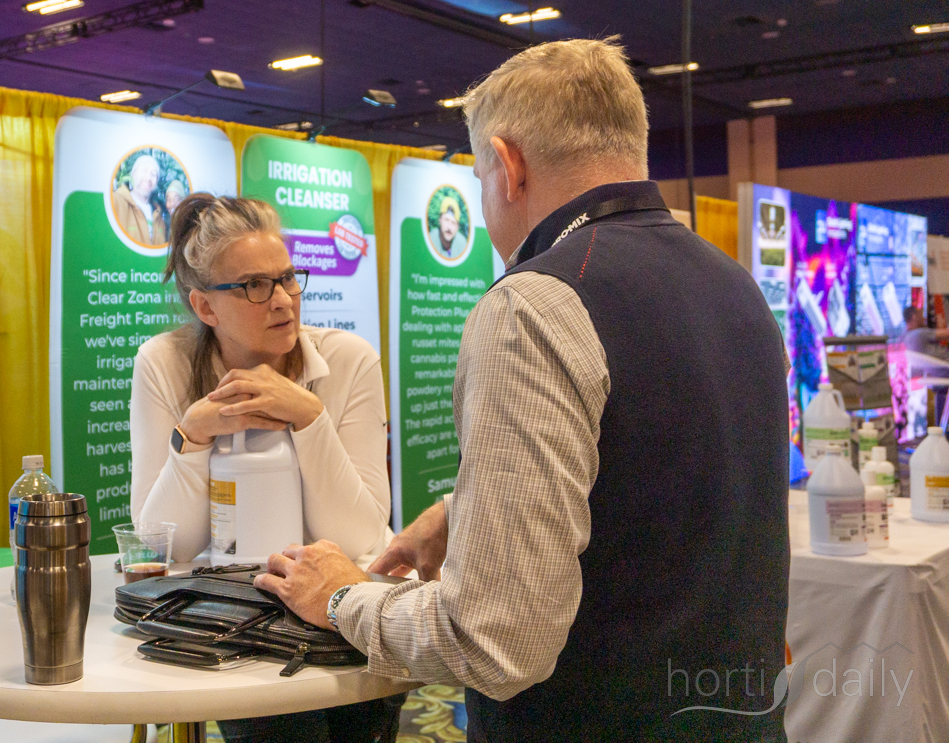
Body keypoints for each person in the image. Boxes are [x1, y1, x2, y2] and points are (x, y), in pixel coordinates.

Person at [254, 38, 791, 742]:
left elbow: (496, 641)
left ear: (509, 167)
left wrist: (342, 597)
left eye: (479, 178)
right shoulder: (736, 285)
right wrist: (464, 511)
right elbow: (667, 472)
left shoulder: (533, 304)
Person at [129, 193, 403, 743]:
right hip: (242, 615)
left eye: (288, 278)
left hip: (347, 609)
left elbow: (357, 535)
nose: (283, 301)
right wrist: (194, 436)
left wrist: (309, 417)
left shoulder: (348, 360)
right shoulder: (165, 363)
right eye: (255, 285)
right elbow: (165, 545)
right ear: (205, 307)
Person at [113, 154, 167, 245]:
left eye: (153, 174)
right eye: (144, 170)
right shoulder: (116, 202)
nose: (148, 178)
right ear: (133, 174)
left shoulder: (159, 219)